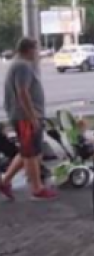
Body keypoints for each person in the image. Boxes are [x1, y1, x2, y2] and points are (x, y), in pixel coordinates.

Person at [0, 37, 57, 201]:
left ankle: (5, 181)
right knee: (31, 153)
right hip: (25, 117)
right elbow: (22, 92)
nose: (37, 53)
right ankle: (37, 189)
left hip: (24, 116)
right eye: (36, 49)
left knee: (27, 152)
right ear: (29, 50)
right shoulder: (23, 66)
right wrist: (32, 116)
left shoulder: (19, 64)